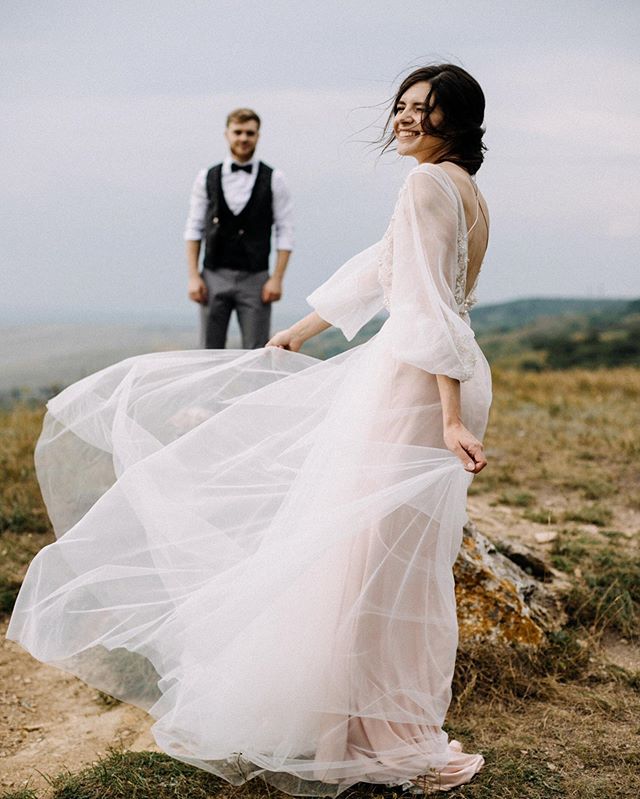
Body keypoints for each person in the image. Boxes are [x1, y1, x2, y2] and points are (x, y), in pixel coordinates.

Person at [8, 64, 491, 795]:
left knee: (363, 554)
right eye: (401, 104)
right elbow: (385, 268)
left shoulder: (425, 183)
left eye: (422, 108)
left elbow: (426, 305)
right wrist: (302, 329)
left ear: (454, 118)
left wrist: (448, 417)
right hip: (457, 370)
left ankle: (362, 732)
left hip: (419, 381)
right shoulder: (467, 189)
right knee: (397, 558)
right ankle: (381, 722)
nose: (403, 117)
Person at [184, 107, 294, 348]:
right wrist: (193, 277)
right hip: (213, 275)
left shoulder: (275, 179)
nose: (243, 138)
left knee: (259, 351)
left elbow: (285, 231)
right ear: (227, 134)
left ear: (258, 136)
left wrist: (277, 278)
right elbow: (194, 228)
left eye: (250, 133)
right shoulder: (206, 177)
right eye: (238, 132)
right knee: (208, 352)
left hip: (256, 278)